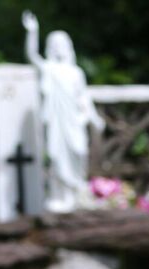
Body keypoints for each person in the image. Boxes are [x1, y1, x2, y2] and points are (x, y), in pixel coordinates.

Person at [23, 11, 106, 212]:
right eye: (55, 44)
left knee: (79, 152)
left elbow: (83, 97)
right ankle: (60, 196)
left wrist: (93, 117)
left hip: (74, 121)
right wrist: (33, 32)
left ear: (69, 47)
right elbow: (32, 56)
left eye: (63, 44)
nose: (59, 48)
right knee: (56, 157)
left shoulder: (76, 72)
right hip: (57, 122)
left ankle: (76, 194)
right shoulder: (49, 69)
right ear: (51, 48)